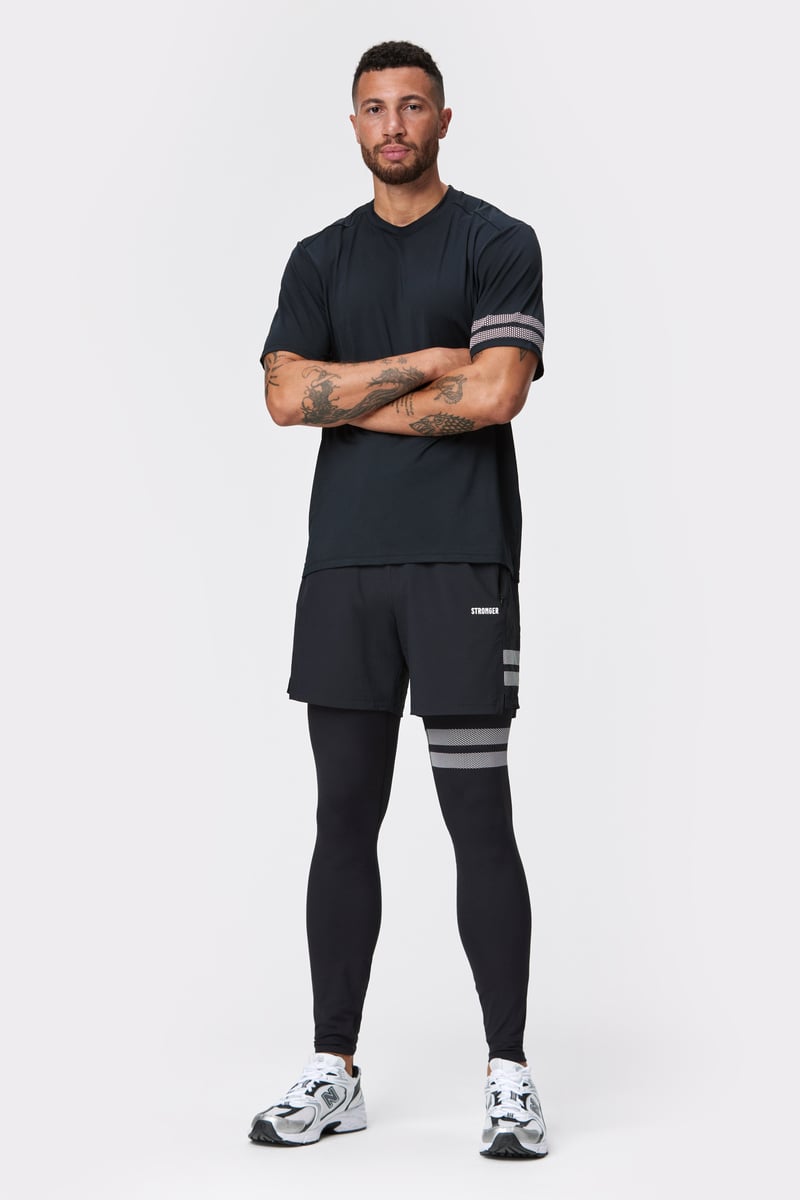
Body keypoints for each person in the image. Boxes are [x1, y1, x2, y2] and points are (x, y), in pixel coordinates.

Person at [248, 41, 548, 1160]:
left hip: (460, 565)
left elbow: (497, 391)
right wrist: (427, 361)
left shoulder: (496, 241)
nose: (393, 124)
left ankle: (509, 1074)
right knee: (343, 819)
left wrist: (349, 391)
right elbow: (284, 397)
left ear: (442, 119)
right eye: (374, 107)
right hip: (344, 573)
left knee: (478, 819)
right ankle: (334, 1069)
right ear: (354, 124)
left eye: (411, 105)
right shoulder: (319, 257)